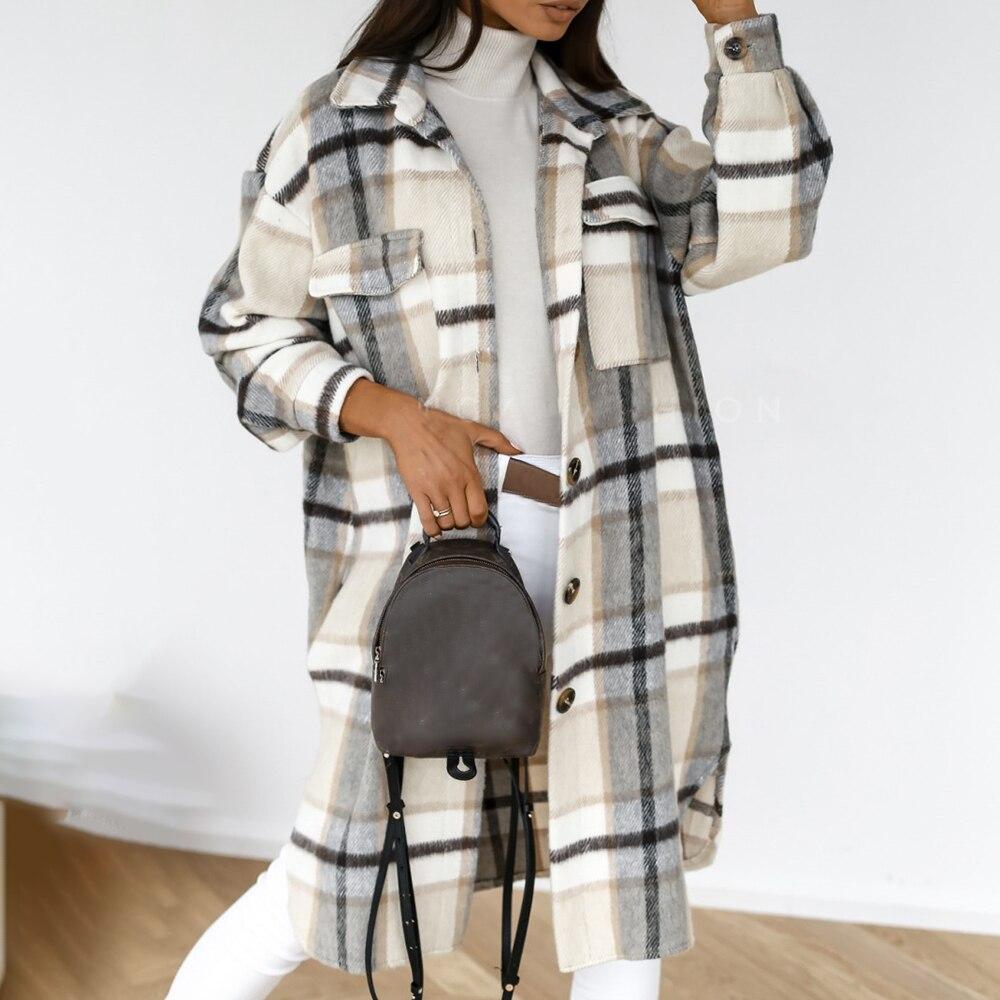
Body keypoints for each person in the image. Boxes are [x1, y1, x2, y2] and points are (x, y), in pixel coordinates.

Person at [175, 0, 831, 996]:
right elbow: (242, 327)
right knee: (335, 868)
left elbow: (768, 220)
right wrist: (392, 415)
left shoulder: (608, 133)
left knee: (618, 885)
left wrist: (732, 20)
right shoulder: (338, 127)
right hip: (430, 554)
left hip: (613, 546)